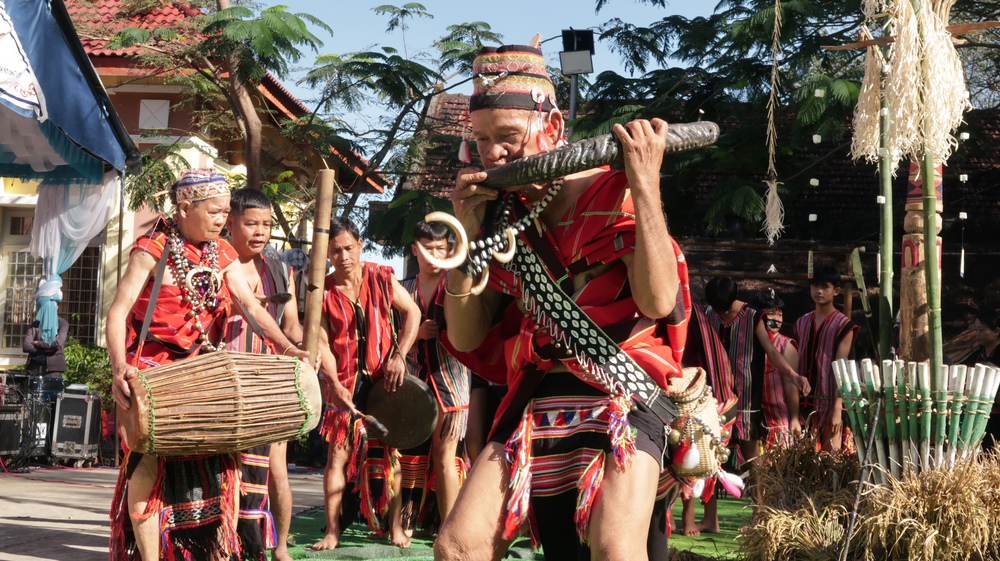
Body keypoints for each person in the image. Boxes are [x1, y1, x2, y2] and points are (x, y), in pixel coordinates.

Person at [435, 42, 690, 561]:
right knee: (457, 547)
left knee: (617, 550)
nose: (494, 154)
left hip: (626, 390)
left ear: (551, 128)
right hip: (537, 396)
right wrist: (466, 228)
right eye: (481, 140)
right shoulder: (501, 218)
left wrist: (645, 184)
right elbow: (465, 336)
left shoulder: (613, 189)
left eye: (508, 136)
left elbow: (659, 300)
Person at [106, 169, 308, 561]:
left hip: (203, 369)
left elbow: (250, 305)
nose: (222, 220)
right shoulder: (152, 247)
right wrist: (119, 369)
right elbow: (117, 313)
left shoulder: (222, 252)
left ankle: (207, 549)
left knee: (219, 462)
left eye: (224, 212)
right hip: (154, 370)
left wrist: (286, 349)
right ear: (185, 208)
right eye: (215, 212)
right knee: (151, 460)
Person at [310, 217, 421, 551]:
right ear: (327, 255)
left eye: (347, 248)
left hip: (383, 380)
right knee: (337, 457)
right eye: (335, 251)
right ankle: (332, 531)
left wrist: (399, 355)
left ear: (359, 245)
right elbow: (321, 343)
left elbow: (413, 313)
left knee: (391, 452)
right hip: (343, 383)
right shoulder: (322, 291)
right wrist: (332, 382)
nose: (343, 256)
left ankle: (396, 527)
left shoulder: (381, 276)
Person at [223, 188, 303, 561]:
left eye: (267, 224)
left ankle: (281, 545)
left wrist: (301, 349)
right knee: (227, 471)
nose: (260, 231)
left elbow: (293, 326)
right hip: (225, 380)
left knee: (277, 470)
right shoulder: (218, 263)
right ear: (230, 222)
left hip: (269, 382)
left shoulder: (280, 269)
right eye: (251, 223)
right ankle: (231, 542)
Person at [704, 277, 809, 504]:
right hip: (714, 395)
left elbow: (771, 351)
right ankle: (709, 516)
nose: (721, 314)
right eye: (718, 309)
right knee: (709, 453)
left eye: (725, 309)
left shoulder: (753, 316)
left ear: (734, 299)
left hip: (746, 397)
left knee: (752, 456)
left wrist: (794, 375)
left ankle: (759, 508)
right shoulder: (709, 313)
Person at [398, 221, 471, 533]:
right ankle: (403, 524)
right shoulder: (402, 288)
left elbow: (473, 333)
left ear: (450, 251)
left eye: (439, 249)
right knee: (408, 456)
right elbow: (388, 338)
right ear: (415, 250)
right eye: (426, 249)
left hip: (452, 383)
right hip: (413, 384)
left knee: (445, 458)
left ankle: (450, 528)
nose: (432, 255)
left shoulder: (457, 286)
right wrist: (416, 336)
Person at [792, 265, 857, 452]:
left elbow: (840, 367)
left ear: (836, 291)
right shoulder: (800, 323)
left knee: (832, 458)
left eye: (825, 286)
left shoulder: (844, 326)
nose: (818, 291)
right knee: (803, 459)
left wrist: (837, 408)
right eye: (814, 286)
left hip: (830, 400)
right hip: (803, 401)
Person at [756, 289, 801, 446]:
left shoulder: (786, 346)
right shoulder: (749, 342)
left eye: (779, 314)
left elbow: (790, 384)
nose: (776, 318)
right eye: (771, 314)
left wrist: (794, 417)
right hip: (754, 414)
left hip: (778, 417)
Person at [960, 309, 1000, 449]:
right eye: (976, 329)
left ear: (996, 332)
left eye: (981, 330)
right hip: (981, 414)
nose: (977, 334)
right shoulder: (979, 354)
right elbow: (963, 367)